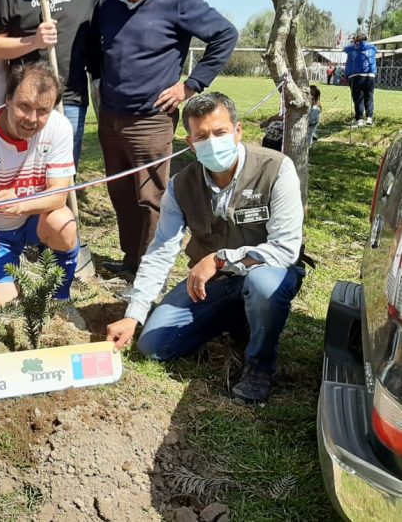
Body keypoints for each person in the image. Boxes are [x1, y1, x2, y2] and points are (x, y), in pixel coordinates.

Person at [106, 92, 305, 404]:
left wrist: (220, 259)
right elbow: (161, 251)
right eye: (202, 136)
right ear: (190, 142)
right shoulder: (180, 185)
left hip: (267, 273)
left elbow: (285, 249)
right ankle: (234, 318)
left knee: (263, 285)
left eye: (220, 132)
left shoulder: (276, 169)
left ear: (238, 131)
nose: (212, 142)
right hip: (214, 284)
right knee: (155, 346)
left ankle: (259, 367)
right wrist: (135, 313)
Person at [88, 0, 237, 276]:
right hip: (110, 116)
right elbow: (96, 48)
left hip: (151, 119)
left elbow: (225, 35)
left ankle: (147, 270)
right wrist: (99, 81)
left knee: (151, 196)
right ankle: (130, 259)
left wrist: (191, 86)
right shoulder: (107, 3)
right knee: (120, 192)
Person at [0, 0, 190, 170]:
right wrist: (34, 41)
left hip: (70, 99)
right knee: (21, 171)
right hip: (24, 102)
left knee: (60, 175)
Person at [0, 61, 84, 329]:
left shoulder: (59, 127)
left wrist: (20, 204)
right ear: (7, 99)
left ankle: (61, 299)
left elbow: (59, 195)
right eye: (24, 106)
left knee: (64, 222)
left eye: (42, 110)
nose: (31, 119)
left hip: (32, 221)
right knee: (4, 303)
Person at [343, 33, 378, 128]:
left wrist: (354, 42)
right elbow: (376, 50)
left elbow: (344, 48)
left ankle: (359, 119)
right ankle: (369, 118)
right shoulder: (372, 48)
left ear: (356, 40)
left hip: (356, 75)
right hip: (370, 75)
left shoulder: (352, 48)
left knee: (358, 98)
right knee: (369, 97)